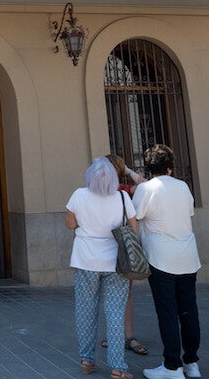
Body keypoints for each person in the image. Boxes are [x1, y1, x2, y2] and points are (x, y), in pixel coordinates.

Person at [133, 144, 202, 379]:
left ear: (149, 167)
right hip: (188, 256)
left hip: (160, 257)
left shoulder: (146, 189)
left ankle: (171, 366)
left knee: (167, 313)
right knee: (188, 311)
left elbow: (135, 216)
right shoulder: (183, 187)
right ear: (170, 167)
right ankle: (191, 362)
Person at [66, 157, 137, 379]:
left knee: (86, 311)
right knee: (115, 313)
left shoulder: (79, 195)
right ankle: (118, 367)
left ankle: (87, 360)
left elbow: (70, 224)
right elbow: (133, 229)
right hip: (116, 262)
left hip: (85, 261)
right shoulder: (123, 197)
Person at [104, 154, 149, 358]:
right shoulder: (93, 191)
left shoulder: (122, 191)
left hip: (120, 248)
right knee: (116, 295)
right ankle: (120, 335)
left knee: (124, 294)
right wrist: (128, 171)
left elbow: (144, 187)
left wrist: (128, 171)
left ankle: (127, 336)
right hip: (107, 249)